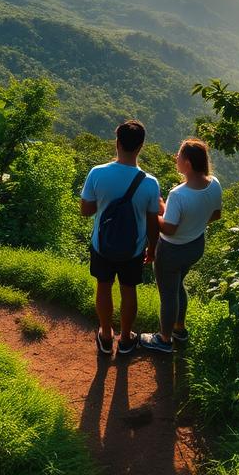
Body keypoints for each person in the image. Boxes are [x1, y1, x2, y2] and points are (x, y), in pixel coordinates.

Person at [80, 120, 161, 356]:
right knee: (129, 290)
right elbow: (152, 222)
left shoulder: (98, 173)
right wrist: (152, 248)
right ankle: (126, 339)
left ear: (117, 142)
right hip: (133, 249)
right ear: (141, 147)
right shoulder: (149, 183)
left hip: (102, 245)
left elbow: (86, 211)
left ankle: (106, 335)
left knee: (103, 286)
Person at [140, 138, 222, 354]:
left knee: (168, 294)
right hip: (195, 246)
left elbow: (168, 229)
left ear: (188, 164)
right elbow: (215, 215)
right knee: (177, 286)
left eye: (179, 155)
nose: (176, 157)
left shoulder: (178, 194)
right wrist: (188, 221)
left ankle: (164, 340)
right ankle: (179, 328)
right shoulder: (214, 184)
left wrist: (153, 212)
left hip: (171, 251)